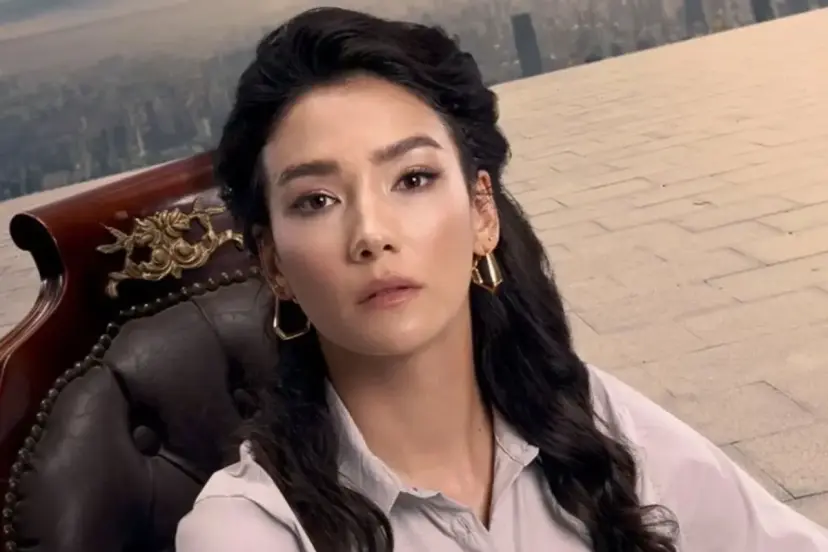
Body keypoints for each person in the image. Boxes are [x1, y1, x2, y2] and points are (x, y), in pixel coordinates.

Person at [176, 7, 828, 552]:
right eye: (316, 200)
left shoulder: (589, 418)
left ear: (482, 213)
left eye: (413, 178)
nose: (371, 233)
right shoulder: (249, 531)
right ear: (273, 263)